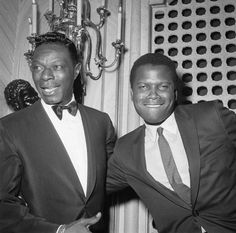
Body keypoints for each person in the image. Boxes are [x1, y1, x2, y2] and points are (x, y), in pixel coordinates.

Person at [0, 32, 116, 233]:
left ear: (77, 70)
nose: (45, 76)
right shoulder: (10, 128)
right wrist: (59, 230)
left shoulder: (101, 122)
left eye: (57, 67)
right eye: (37, 67)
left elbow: (116, 176)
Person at [107, 52, 236, 233]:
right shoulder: (125, 150)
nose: (153, 95)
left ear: (175, 93)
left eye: (163, 86)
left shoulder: (211, 116)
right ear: (132, 93)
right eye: (143, 86)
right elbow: (90, 186)